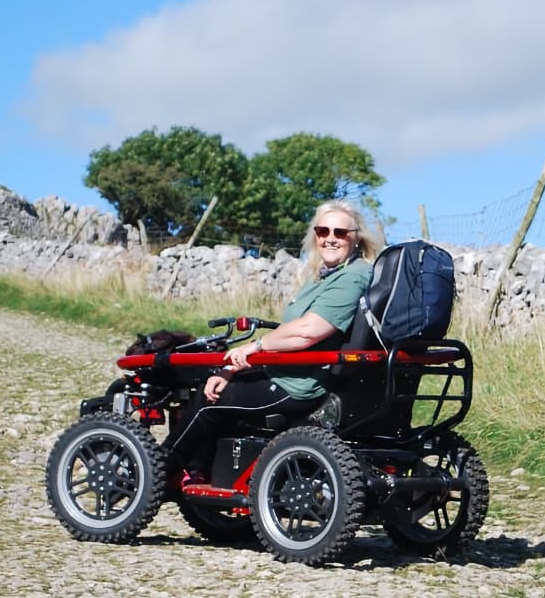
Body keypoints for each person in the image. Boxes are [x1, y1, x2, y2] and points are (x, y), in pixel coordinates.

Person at [162, 200, 385, 485]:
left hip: (297, 385)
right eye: (323, 231)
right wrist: (233, 367)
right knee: (214, 376)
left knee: (210, 400)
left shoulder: (352, 277)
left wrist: (254, 347)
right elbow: (290, 332)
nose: (330, 238)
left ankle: (158, 469)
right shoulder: (324, 277)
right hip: (287, 371)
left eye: (340, 232)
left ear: (356, 237)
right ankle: (197, 473)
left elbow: (308, 331)